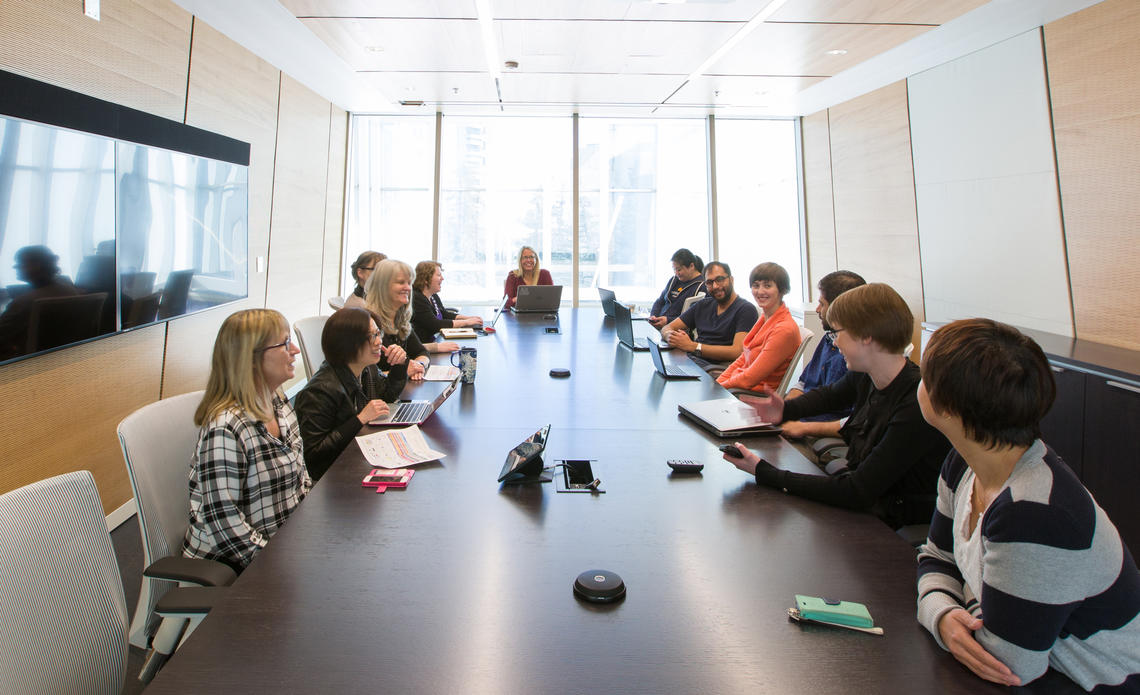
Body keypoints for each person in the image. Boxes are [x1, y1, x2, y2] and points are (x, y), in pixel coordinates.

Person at [915, 319, 1140, 691]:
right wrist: (941, 614)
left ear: (950, 409)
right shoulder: (962, 463)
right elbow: (937, 556)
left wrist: (956, 605)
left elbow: (1006, 665)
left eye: (925, 376)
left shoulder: (1035, 512)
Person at [722, 283, 949, 529]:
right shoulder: (868, 375)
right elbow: (829, 396)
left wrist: (764, 472)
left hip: (892, 523)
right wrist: (784, 410)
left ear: (866, 336)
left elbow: (857, 491)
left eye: (838, 333)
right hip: (870, 507)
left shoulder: (914, 404)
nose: (835, 342)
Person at [183, 309, 312, 572]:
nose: (296, 350)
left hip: (285, 545)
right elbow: (226, 528)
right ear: (251, 359)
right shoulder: (225, 428)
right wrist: (282, 564)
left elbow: (301, 480)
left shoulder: (277, 400)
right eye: (285, 343)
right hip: (238, 568)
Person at [294, 307, 408, 481]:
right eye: (372, 336)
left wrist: (399, 366)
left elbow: (387, 396)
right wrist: (360, 419)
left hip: (359, 459)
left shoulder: (366, 368)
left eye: (378, 333)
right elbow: (314, 456)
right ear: (348, 343)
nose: (379, 342)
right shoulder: (319, 391)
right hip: (334, 481)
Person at [780, 270, 867, 436]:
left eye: (822, 304)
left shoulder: (860, 359)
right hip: (800, 420)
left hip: (818, 434)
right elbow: (804, 383)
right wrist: (786, 411)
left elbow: (855, 422)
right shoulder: (829, 337)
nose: (818, 309)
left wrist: (801, 426)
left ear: (839, 308)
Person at [715, 262, 801, 393]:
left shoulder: (784, 329)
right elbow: (743, 358)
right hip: (736, 388)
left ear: (782, 289)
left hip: (750, 395)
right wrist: (717, 385)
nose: (760, 291)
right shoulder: (766, 317)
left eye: (767, 286)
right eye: (756, 286)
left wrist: (718, 389)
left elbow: (749, 378)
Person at [660, 261, 758, 371]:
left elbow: (737, 351)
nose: (715, 286)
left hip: (716, 369)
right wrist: (670, 336)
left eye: (720, 280)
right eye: (709, 282)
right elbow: (667, 327)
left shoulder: (746, 310)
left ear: (731, 280)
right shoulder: (703, 305)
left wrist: (693, 346)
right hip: (693, 361)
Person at [0, 245, 81, 359]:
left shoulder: (24, 302)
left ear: (37, 266)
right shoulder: (70, 291)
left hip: (22, 360)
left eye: (20, 262)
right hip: (61, 357)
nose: (15, 266)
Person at [364, 259, 431, 380]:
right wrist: (403, 373)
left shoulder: (400, 321)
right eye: (401, 282)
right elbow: (363, 378)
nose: (408, 288)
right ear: (382, 287)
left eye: (409, 283)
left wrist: (419, 365)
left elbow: (421, 352)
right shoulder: (367, 324)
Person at [411, 260, 482, 344]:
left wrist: (468, 318)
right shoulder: (417, 299)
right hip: (424, 346)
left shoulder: (433, 295)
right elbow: (436, 325)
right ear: (426, 279)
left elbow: (444, 314)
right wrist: (466, 322)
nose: (442, 278)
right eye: (438, 275)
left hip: (435, 340)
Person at [647, 248, 705, 329]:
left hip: (676, 331)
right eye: (674, 269)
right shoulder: (674, 280)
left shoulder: (702, 286)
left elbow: (693, 317)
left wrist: (668, 321)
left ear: (691, 266)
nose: (676, 273)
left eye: (679, 269)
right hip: (659, 327)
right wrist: (653, 316)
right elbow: (660, 301)